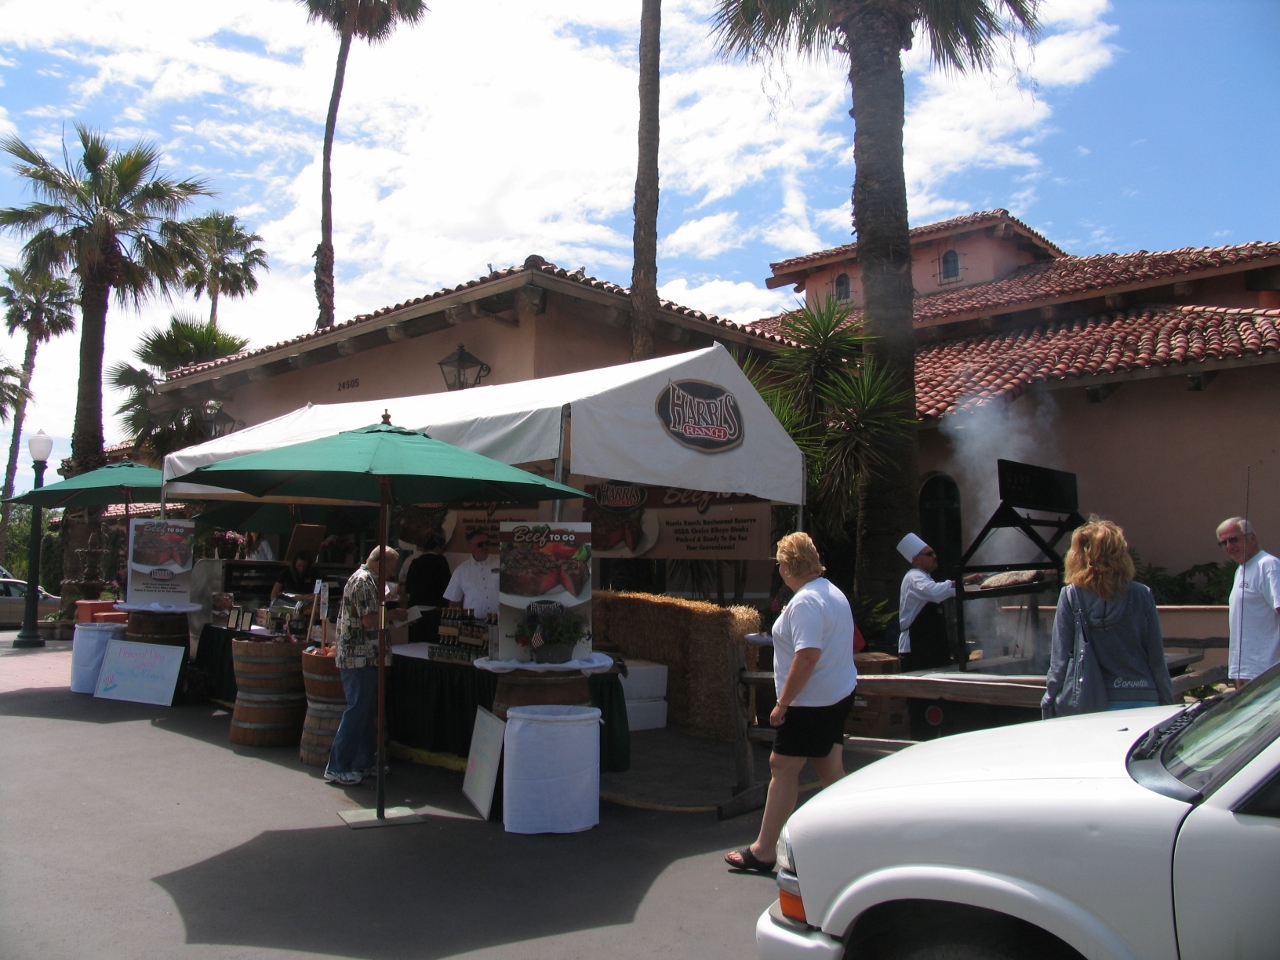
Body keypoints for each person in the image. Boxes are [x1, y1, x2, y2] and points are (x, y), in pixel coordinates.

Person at [725, 533, 856, 873]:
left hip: (811, 702)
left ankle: (764, 849)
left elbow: (808, 655)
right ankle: (857, 836)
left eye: (780, 562)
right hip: (836, 694)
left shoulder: (806, 602)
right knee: (830, 770)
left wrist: (783, 702)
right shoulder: (831, 592)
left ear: (787, 566)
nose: (779, 568)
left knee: (781, 767)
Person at [1043, 518, 1174, 715]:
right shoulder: (1142, 594)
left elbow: (1060, 660)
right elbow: (1156, 657)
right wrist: (1166, 701)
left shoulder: (1071, 596)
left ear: (1079, 555)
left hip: (1090, 702)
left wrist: (1049, 700)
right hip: (1142, 697)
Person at [325, 546, 407, 786]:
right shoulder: (363, 581)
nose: (392, 573)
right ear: (381, 563)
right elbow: (369, 619)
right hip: (357, 656)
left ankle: (363, 762)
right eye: (391, 568)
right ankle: (338, 766)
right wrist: (395, 614)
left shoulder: (370, 581)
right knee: (358, 709)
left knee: (368, 710)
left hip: (369, 655)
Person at [1217, 517, 1280, 688]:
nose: (1229, 546)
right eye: (1223, 543)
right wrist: (1240, 671)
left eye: (1234, 539)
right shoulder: (1241, 569)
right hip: (1247, 671)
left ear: (1252, 538)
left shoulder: (1268, 565)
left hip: (1268, 671)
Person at [897, 532, 961, 672]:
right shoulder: (914, 576)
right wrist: (960, 582)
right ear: (916, 560)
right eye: (929, 554)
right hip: (917, 648)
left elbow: (941, 591)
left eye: (933, 553)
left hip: (931, 646)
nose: (934, 556)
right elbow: (934, 591)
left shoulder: (926, 577)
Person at [402, 532, 452, 642]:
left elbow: (408, 588)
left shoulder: (414, 563)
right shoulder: (440, 561)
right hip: (434, 612)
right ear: (438, 547)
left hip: (414, 612)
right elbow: (448, 587)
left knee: (415, 647)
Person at [444, 527, 498, 619]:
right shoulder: (461, 570)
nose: (485, 547)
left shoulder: (501, 562)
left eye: (487, 543)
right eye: (480, 544)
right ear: (470, 547)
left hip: (501, 623)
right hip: (474, 625)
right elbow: (454, 602)